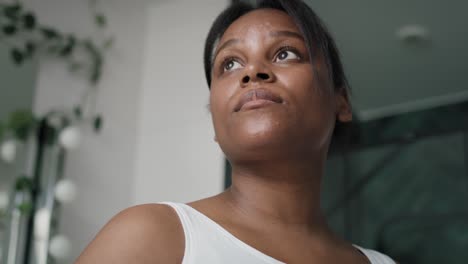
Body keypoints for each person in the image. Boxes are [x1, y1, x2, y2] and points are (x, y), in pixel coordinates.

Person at [76, 0, 396, 263]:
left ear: (340, 102)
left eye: (285, 53)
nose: (253, 73)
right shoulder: (151, 237)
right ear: (215, 119)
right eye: (230, 64)